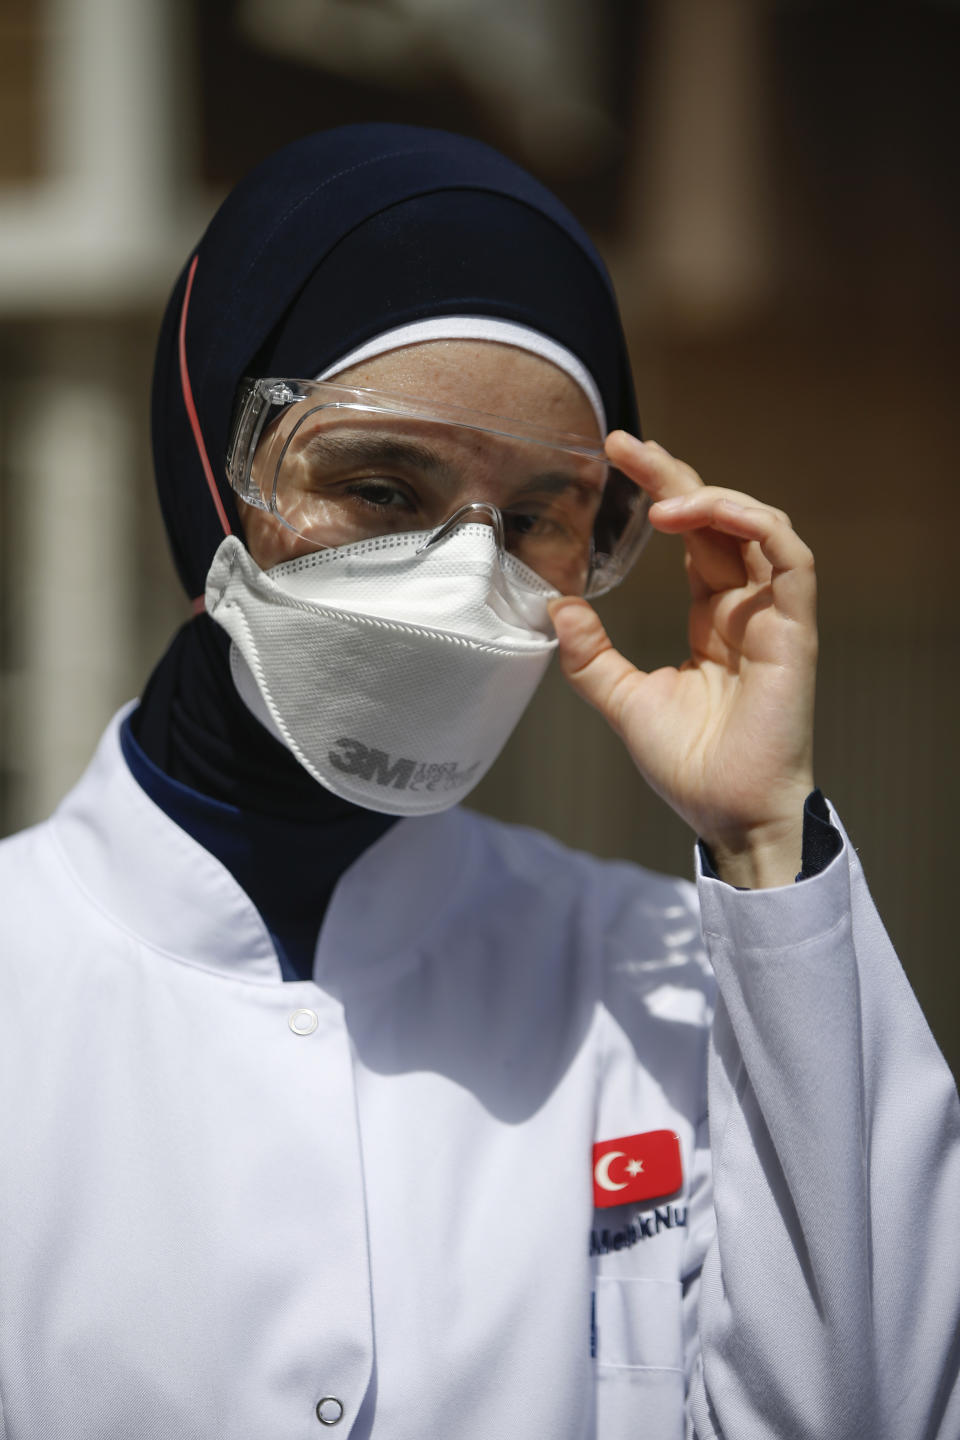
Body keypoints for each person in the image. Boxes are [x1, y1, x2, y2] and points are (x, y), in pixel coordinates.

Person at [0, 124, 957, 1440]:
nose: (459, 582)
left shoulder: (666, 981)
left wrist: (760, 844)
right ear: (207, 474)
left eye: (532, 522)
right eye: (380, 486)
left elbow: (871, 1410)